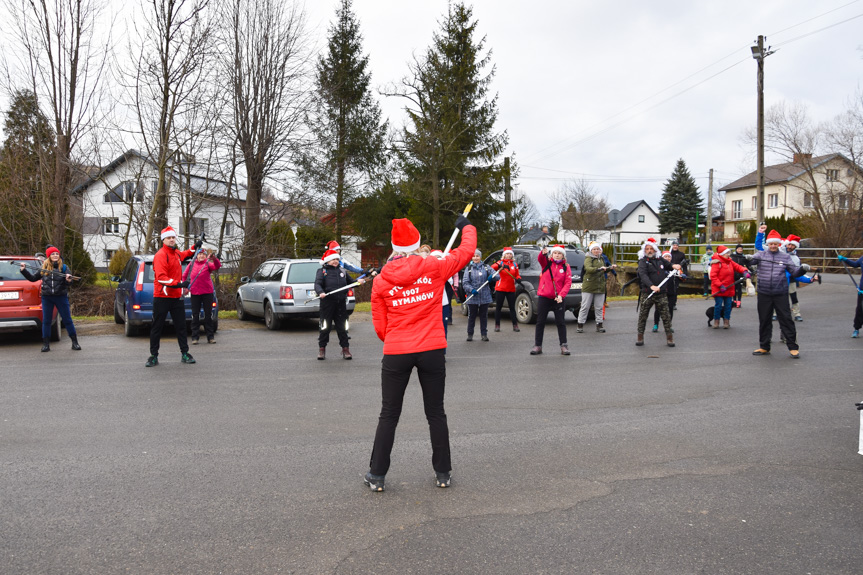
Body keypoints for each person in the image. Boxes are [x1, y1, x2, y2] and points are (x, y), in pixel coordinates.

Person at [365, 215, 476, 492]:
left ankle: (377, 475)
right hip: (431, 349)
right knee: (436, 412)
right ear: (417, 245)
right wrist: (466, 226)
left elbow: (380, 327)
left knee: (389, 414)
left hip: (396, 351)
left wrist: (395, 337)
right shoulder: (435, 266)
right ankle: (443, 473)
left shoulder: (381, 281)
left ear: (394, 248)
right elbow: (466, 251)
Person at [147, 226, 199, 367]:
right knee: (157, 327)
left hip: (176, 298)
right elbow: (162, 278)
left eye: (173, 237)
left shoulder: (175, 253)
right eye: (168, 238)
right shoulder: (160, 255)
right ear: (163, 240)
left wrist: (196, 246)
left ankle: (185, 353)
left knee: (181, 327)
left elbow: (186, 254)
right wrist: (180, 284)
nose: (171, 239)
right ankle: (153, 356)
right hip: (162, 297)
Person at [751, 227, 807, 358]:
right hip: (764, 293)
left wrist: (803, 269)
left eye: (775, 244)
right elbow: (749, 261)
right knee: (764, 320)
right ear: (768, 244)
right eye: (771, 243)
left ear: (779, 244)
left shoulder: (785, 257)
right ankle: (764, 346)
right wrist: (747, 259)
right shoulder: (761, 255)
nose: (773, 246)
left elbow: (795, 272)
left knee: (786, 319)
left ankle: (793, 347)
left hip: (780, 293)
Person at [19, 246, 81, 352]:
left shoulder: (64, 268)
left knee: (67, 320)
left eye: (57, 254)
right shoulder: (44, 268)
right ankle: (46, 344)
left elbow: (69, 284)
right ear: (49, 256)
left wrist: (68, 280)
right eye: (53, 254)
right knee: (46, 321)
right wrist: (23, 270)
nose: (55, 256)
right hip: (47, 297)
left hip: (61, 297)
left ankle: (75, 342)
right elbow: (33, 279)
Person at [315, 249, 363, 360]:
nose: (335, 261)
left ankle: (345, 349)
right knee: (325, 327)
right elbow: (317, 284)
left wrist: (358, 282)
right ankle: (322, 349)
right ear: (328, 261)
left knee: (342, 327)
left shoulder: (343, 271)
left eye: (337, 259)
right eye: (333, 259)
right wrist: (321, 292)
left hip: (341, 304)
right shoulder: (322, 271)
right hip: (327, 304)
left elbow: (351, 283)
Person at [636, 238, 681, 347]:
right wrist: (651, 286)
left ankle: (669, 337)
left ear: (655, 250)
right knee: (643, 316)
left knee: (666, 316)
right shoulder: (643, 261)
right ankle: (640, 336)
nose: (649, 251)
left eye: (651, 248)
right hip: (647, 293)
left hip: (661, 294)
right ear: (644, 250)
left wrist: (674, 266)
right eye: (647, 249)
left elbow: (669, 265)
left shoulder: (660, 259)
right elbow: (643, 275)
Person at [531, 244, 571, 355]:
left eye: (559, 253)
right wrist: (543, 253)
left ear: (563, 255)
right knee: (540, 322)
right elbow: (540, 259)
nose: (557, 255)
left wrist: (561, 295)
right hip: (544, 297)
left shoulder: (566, 267)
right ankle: (538, 345)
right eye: (555, 253)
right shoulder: (547, 263)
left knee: (560, 322)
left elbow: (568, 283)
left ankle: (564, 345)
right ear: (552, 254)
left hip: (558, 298)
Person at [183, 248, 221, 344]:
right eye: (199, 254)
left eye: (203, 254)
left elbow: (217, 266)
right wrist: (185, 287)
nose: (201, 256)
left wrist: (214, 259)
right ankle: (195, 337)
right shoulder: (191, 264)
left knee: (208, 315)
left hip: (207, 293)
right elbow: (184, 276)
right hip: (195, 293)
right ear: (196, 256)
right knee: (195, 315)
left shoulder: (208, 264)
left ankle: (210, 337)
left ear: (205, 256)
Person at [709, 245, 751, 329]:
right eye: (726, 253)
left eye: (729, 253)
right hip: (719, 289)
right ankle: (716, 321)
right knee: (718, 306)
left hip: (729, 287)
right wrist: (720, 285)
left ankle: (726, 321)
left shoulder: (730, 261)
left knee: (728, 306)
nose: (728, 254)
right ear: (722, 254)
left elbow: (738, 267)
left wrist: (744, 271)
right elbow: (713, 276)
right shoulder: (717, 263)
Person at [462, 249, 494, 342]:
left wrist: (492, 277)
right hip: (473, 297)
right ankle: (470, 333)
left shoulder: (486, 267)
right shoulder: (468, 269)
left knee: (484, 316)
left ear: (480, 257)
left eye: (477, 256)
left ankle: (484, 334)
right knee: (472, 316)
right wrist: (471, 289)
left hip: (485, 296)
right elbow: (465, 282)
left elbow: (497, 276)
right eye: (474, 256)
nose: (476, 258)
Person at [578, 241, 608, 333]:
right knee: (585, 306)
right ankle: (580, 324)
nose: (596, 251)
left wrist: (610, 268)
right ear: (591, 250)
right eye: (594, 249)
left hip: (600, 286)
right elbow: (588, 269)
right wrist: (599, 269)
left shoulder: (602, 258)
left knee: (599, 307)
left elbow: (605, 269)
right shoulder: (588, 258)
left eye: (598, 249)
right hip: (589, 286)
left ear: (600, 250)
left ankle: (599, 324)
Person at [490, 247, 521, 332]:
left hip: (511, 289)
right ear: (504, 255)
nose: (509, 255)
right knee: (498, 307)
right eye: (507, 254)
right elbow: (491, 268)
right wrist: (500, 266)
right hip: (500, 288)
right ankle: (497, 325)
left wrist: (518, 278)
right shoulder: (500, 262)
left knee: (512, 308)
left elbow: (517, 275)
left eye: (510, 254)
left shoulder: (515, 264)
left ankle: (515, 325)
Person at [836, 253, 863, 338]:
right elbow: (855, 264)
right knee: (860, 309)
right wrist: (845, 259)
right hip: (862, 289)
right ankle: (856, 329)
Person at [652, 251, 677, 333]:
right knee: (658, 308)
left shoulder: (674, 267)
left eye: (669, 257)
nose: (667, 258)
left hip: (671, 291)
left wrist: (683, 277)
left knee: (670, 308)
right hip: (661, 291)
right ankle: (656, 324)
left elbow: (681, 276)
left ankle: (669, 325)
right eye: (665, 257)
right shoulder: (659, 266)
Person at [729, 244, 753, 308]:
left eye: (741, 249)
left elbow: (748, 264)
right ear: (736, 249)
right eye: (739, 249)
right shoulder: (732, 256)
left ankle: (739, 301)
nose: (740, 250)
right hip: (733, 274)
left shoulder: (743, 257)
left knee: (739, 289)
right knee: (733, 288)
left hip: (740, 275)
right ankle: (734, 301)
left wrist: (751, 270)